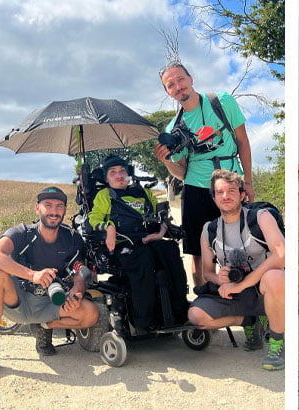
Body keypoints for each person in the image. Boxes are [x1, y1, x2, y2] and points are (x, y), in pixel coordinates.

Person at [0, 187, 100, 380]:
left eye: (59, 206)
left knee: (91, 314)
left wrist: (77, 291)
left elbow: (79, 272)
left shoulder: (72, 238)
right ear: (37, 208)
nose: (53, 211)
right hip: (18, 299)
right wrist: (32, 275)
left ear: (64, 210)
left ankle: (43, 326)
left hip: (51, 303)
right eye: (47, 205)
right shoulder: (22, 233)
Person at [154, 62, 254, 289]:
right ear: (167, 92)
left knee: (239, 245)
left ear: (191, 78)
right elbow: (181, 172)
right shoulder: (174, 129)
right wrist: (166, 160)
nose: (178, 87)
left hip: (230, 183)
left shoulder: (221, 102)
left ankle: (242, 300)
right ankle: (204, 301)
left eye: (180, 79)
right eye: (171, 85)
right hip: (196, 187)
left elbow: (242, 142)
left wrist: (247, 181)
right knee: (198, 252)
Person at [189, 170, 285, 370]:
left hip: (263, 291)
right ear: (214, 198)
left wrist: (241, 285)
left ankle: (276, 342)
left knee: (276, 277)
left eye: (231, 190)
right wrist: (219, 278)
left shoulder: (260, 217)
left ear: (242, 194)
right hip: (235, 293)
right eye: (220, 192)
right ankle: (249, 321)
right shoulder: (210, 230)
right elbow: (207, 272)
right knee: (196, 316)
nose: (226, 196)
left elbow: (281, 255)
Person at [87, 155, 189, 330]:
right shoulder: (104, 195)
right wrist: (109, 227)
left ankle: (181, 312)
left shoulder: (144, 192)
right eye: (113, 173)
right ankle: (144, 321)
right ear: (106, 178)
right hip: (122, 244)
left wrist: (162, 231)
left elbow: (159, 217)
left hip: (149, 239)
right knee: (143, 257)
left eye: (122, 171)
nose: (119, 175)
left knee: (171, 250)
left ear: (128, 174)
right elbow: (93, 220)